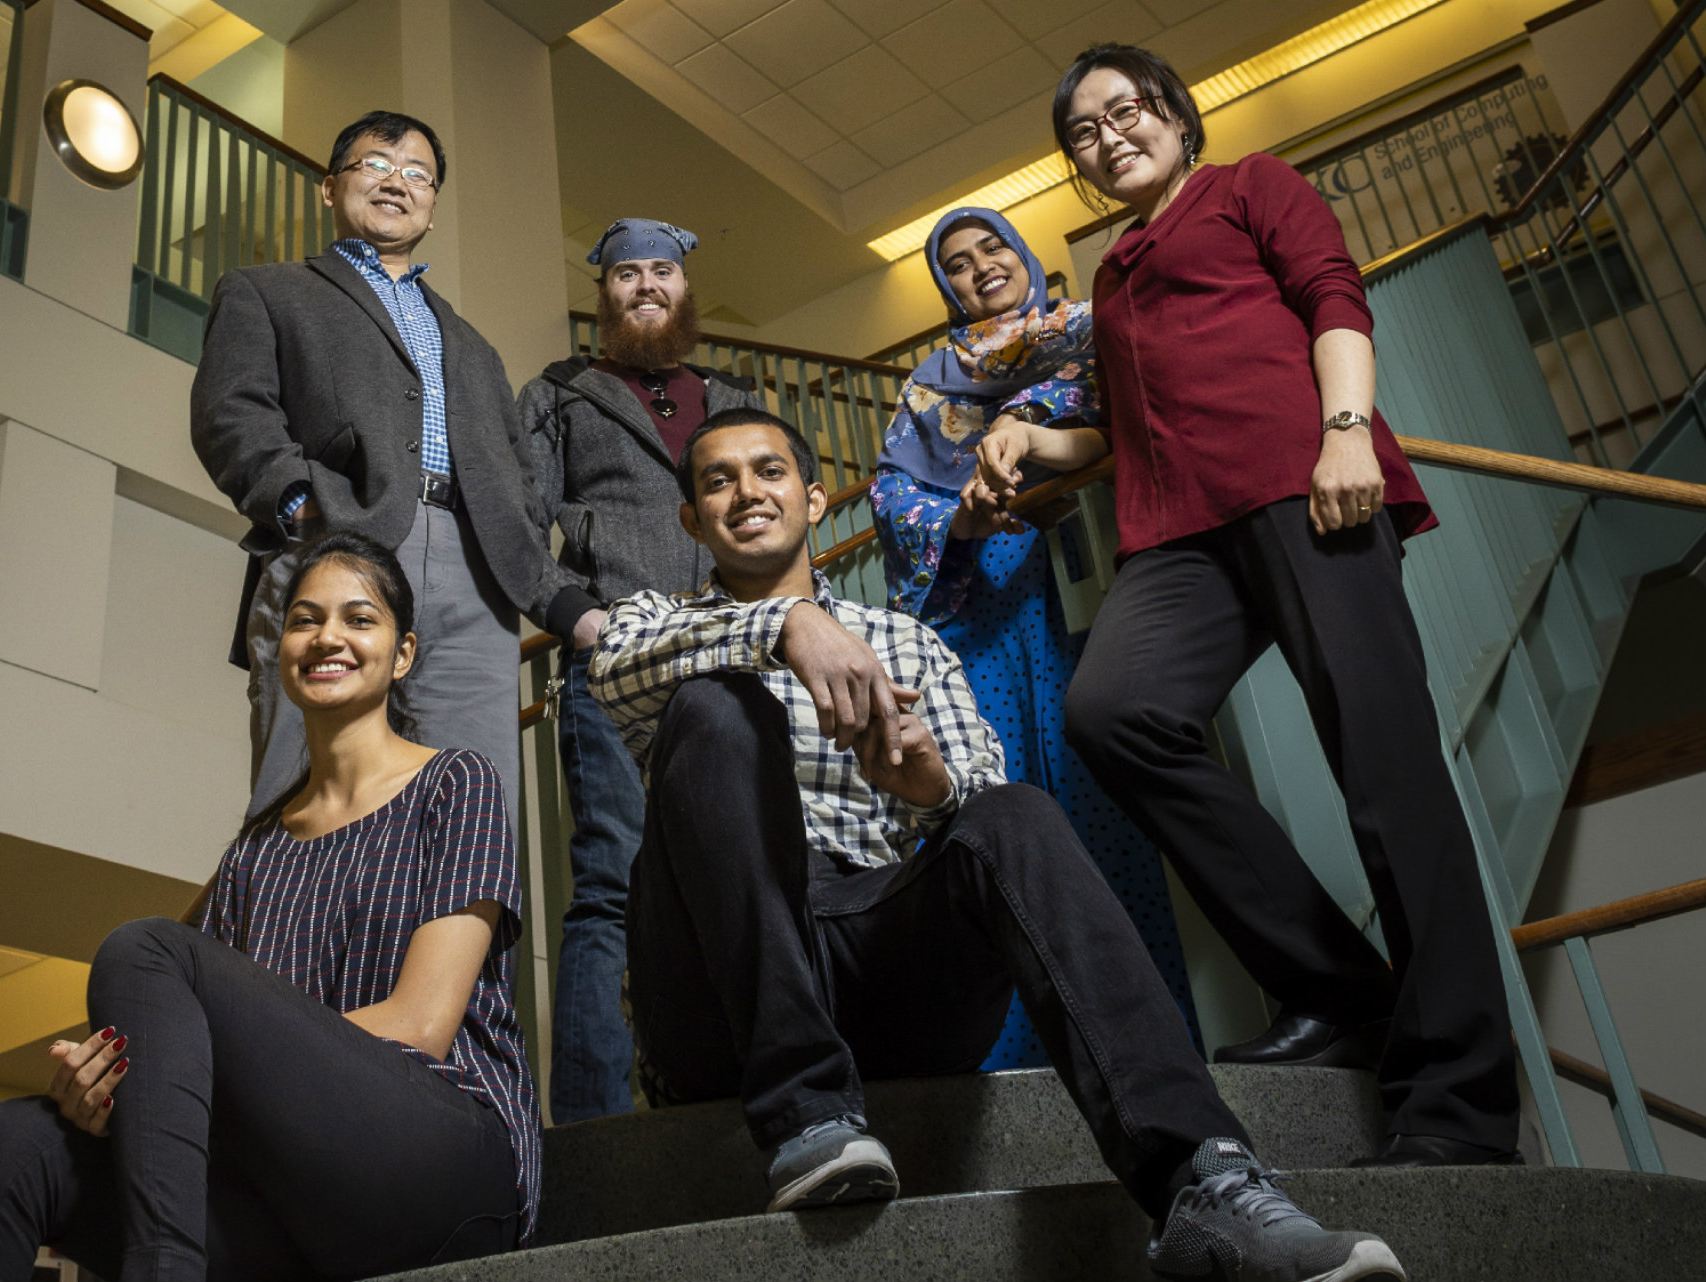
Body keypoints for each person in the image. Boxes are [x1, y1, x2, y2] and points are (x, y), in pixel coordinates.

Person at [591, 407, 1404, 1281]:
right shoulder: (653, 620)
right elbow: (610, 668)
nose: (746, 491)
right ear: (691, 520)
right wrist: (786, 626)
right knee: (715, 705)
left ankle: (1205, 1184)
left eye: (769, 471)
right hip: (721, 988)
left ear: (816, 498)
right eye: (718, 480)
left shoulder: (906, 642)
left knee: (1008, 811)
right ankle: (805, 1116)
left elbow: (979, 811)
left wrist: (933, 792)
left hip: (877, 956)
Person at [1006, 42, 1520, 1167]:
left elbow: (1332, 300)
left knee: (1385, 779)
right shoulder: (1110, 272)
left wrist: (1345, 434)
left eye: (1124, 110)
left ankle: (1462, 1103)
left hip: (1306, 485)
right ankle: (1335, 990)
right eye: (1082, 133)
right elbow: (1122, 419)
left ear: (1177, 115)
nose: (1106, 137)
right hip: (1175, 533)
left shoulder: (1252, 185)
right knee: (1110, 711)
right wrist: (1034, 441)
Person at [0, 535, 540, 1281]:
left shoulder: (457, 784)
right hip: (292, 1204)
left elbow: (420, 1025)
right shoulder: (255, 852)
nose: (327, 637)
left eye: (358, 619)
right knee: (13, 1136)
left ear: (402, 654)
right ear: (283, 650)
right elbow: (187, 1055)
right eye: (305, 620)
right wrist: (108, 1084)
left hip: (443, 1175)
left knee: (147, 950)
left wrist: (168, 1075)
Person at [869, 205, 1198, 1068]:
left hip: (1095, 579)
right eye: (958, 264)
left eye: (991, 251)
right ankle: (1009, 1062)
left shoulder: (1090, 328)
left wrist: (1042, 442)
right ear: (947, 288)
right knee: (992, 804)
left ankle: (1148, 1048)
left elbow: (1137, 414)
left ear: (1023, 255)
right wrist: (965, 524)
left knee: (1099, 795)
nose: (980, 269)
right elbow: (892, 495)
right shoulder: (931, 379)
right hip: (981, 598)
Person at [192, 110, 571, 822]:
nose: (398, 183)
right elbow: (231, 417)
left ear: (431, 206)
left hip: (474, 577)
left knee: (475, 808)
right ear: (330, 189)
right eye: (376, 165)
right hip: (335, 547)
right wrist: (306, 510)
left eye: (418, 175)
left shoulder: (473, 345)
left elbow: (518, 476)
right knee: (305, 788)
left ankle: (466, 940)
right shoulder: (266, 291)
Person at [514, 217, 763, 1123]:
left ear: (684, 289)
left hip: (734, 659)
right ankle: (591, 1134)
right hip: (613, 661)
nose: (646, 286)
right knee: (615, 884)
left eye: (662, 271)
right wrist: (572, 615)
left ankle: (742, 1107)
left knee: (745, 878)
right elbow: (511, 522)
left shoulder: (733, 395)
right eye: (627, 275)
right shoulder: (561, 394)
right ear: (604, 294)